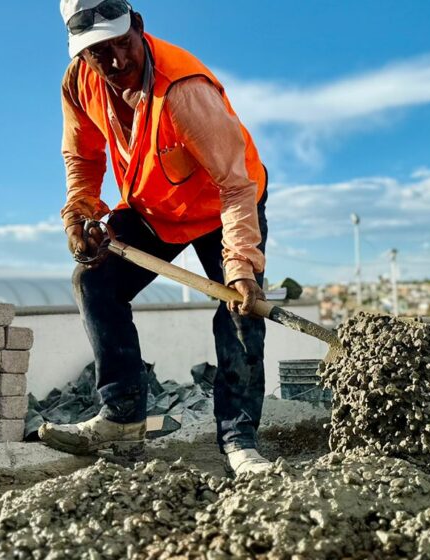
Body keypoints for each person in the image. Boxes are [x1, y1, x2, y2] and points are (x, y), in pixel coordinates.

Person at [39, 0, 273, 475]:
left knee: (239, 312)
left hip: (221, 208)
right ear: (78, 53)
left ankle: (239, 437)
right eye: (97, 53)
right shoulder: (78, 83)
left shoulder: (184, 91)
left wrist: (242, 265)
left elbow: (234, 186)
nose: (115, 62)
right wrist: (79, 214)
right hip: (153, 204)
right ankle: (123, 416)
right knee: (94, 281)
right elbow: (83, 159)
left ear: (138, 26)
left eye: (121, 45)